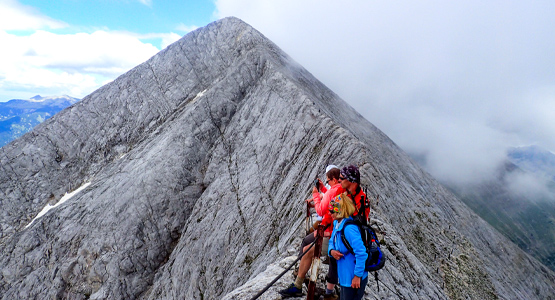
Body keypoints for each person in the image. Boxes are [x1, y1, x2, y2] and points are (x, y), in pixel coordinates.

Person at [280, 165, 344, 299]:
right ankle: (301, 275)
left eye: (328, 180)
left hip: (332, 233)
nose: (327, 183)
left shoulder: (334, 191)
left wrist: (315, 194)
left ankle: (298, 282)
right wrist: (323, 189)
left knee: (308, 249)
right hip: (333, 230)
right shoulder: (338, 189)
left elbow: (321, 210)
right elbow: (330, 198)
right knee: (306, 245)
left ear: (333, 179)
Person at [328, 193, 368, 300]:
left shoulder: (349, 229)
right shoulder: (337, 223)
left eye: (332, 211)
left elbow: (361, 253)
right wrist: (331, 251)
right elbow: (332, 241)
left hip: (353, 279)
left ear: (340, 210)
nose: (330, 213)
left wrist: (357, 276)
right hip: (345, 277)